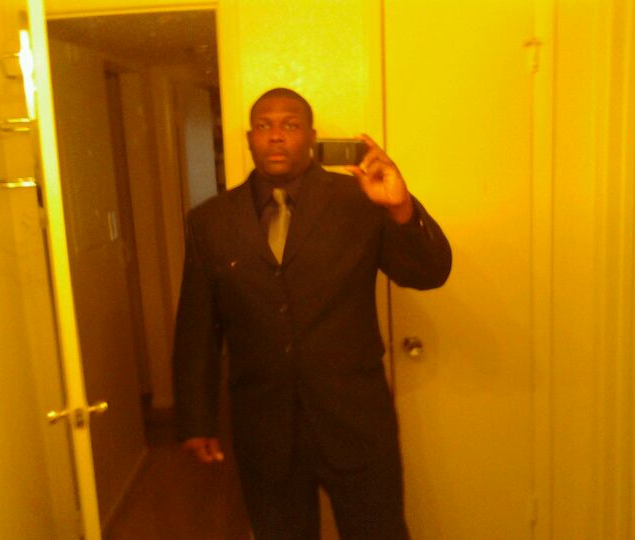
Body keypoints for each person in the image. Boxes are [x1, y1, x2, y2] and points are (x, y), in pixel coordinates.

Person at [172, 87, 451, 539]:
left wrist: (401, 208)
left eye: (290, 124)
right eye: (264, 125)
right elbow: (197, 327)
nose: (276, 135)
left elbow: (428, 273)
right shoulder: (211, 221)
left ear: (311, 136)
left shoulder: (360, 200)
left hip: (356, 422)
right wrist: (196, 418)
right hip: (264, 428)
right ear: (249, 138)